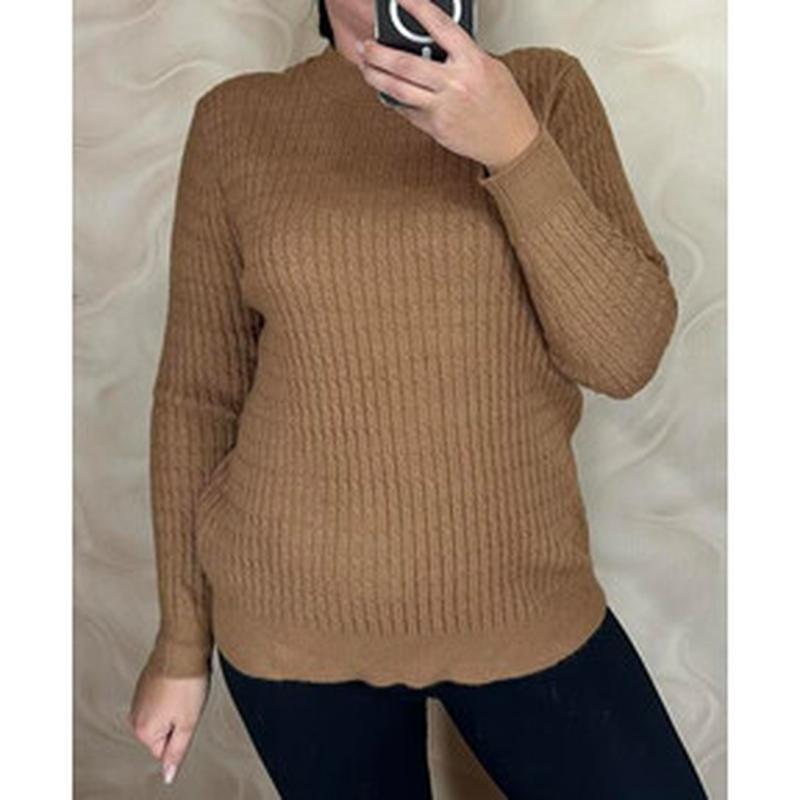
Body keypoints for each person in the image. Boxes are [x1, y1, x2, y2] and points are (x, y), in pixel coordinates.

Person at [128, 0, 709, 797]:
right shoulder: (237, 121)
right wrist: (181, 644)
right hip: (293, 627)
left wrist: (513, 146)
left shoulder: (543, 90)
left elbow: (623, 357)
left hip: (524, 604)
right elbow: (199, 395)